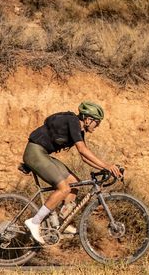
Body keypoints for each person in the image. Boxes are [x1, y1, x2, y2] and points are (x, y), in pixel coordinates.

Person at [22, 101, 122, 244]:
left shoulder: (79, 130)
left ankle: (60, 223)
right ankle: (34, 222)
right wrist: (106, 165)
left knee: (74, 185)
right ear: (88, 119)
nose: (97, 126)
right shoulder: (73, 121)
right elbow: (82, 150)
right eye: (97, 122)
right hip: (35, 152)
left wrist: (104, 168)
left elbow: (84, 157)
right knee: (64, 188)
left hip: (43, 154)